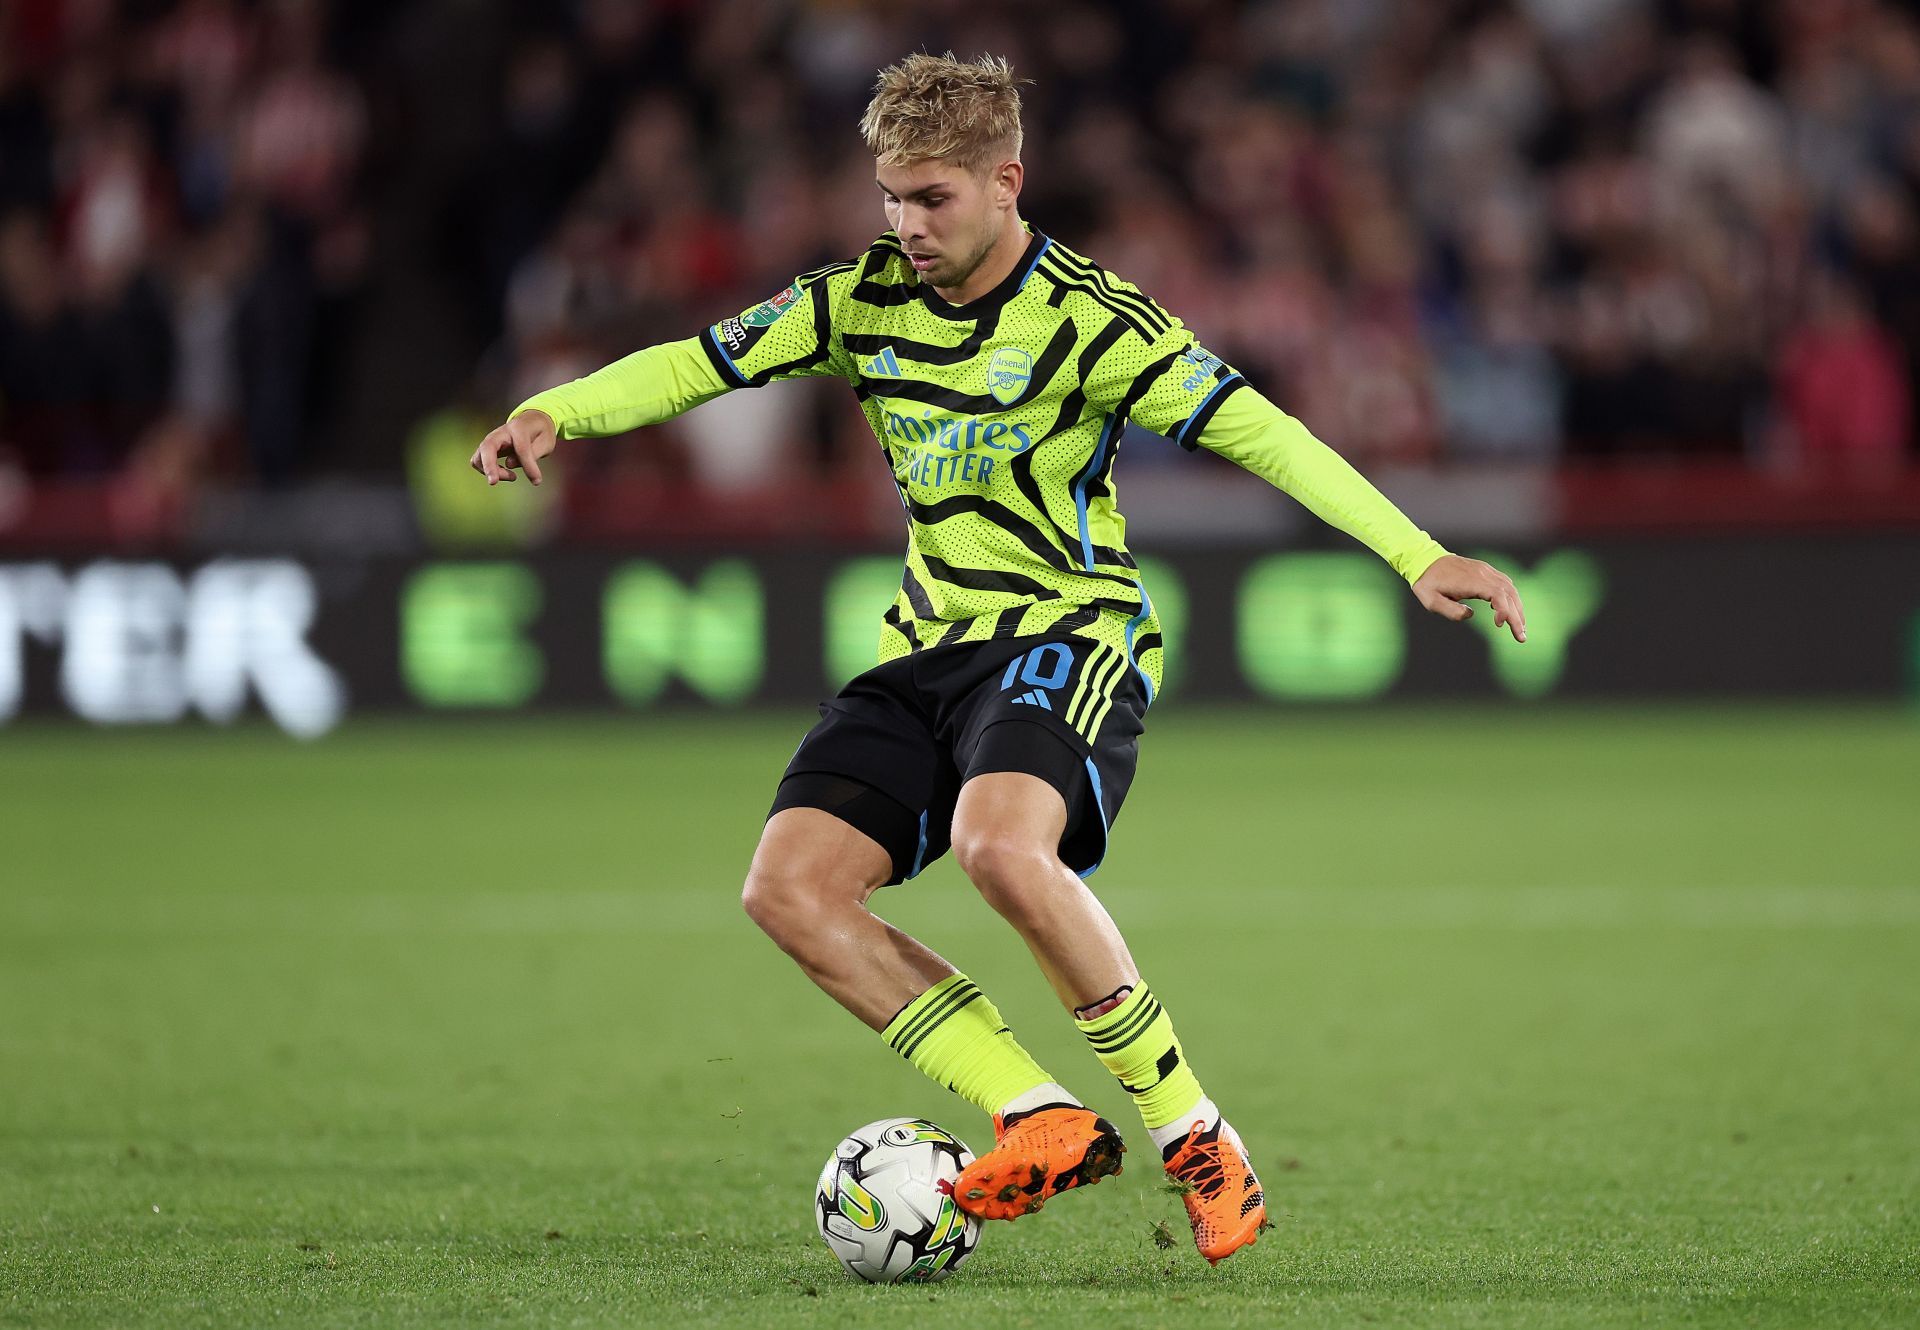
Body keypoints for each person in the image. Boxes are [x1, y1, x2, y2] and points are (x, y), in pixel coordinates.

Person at [471, 52, 1527, 1265]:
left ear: (1004, 182)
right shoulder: (855, 300)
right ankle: (1035, 1112)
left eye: (931, 199)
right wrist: (562, 409)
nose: (905, 226)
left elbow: (1269, 438)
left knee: (996, 845)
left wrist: (1416, 554)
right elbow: (698, 361)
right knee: (788, 888)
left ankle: (1196, 1134)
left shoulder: (1095, 320)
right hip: (924, 648)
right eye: (890, 197)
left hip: (1068, 636)